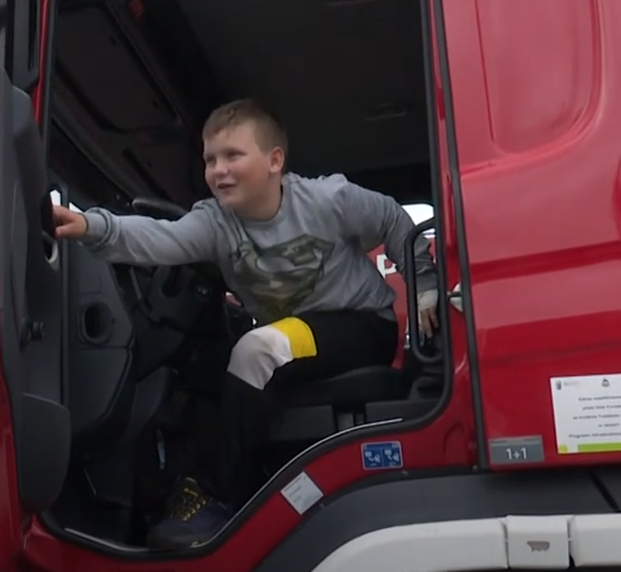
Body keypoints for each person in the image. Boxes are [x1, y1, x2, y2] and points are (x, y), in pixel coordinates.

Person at [52, 99, 439, 549]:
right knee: (219, 369)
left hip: (360, 325)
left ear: (274, 160)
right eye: (210, 159)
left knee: (259, 350)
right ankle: (193, 487)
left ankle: (215, 499)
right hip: (298, 333)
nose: (219, 170)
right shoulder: (215, 224)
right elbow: (160, 238)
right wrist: (87, 226)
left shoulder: (328, 199)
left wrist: (424, 284)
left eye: (233, 155)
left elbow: (393, 217)